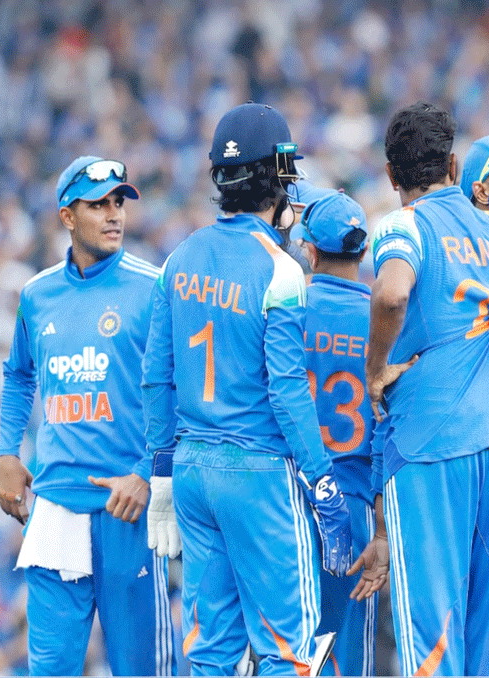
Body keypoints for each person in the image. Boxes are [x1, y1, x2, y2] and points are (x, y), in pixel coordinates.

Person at [140, 102, 352, 675]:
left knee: (211, 652)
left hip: (192, 472)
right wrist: (323, 483)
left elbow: (156, 377)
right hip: (259, 475)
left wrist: (161, 469)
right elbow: (286, 390)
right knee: (289, 652)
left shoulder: (178, 258)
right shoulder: (281, 269)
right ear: (275, 176)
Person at [367, 101, 489, 676]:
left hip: (432, 444)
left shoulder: (404, 225)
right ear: (453, 166)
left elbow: (391, 293)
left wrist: (375, 368)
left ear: (392, 175)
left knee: (433, 636)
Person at [0, 156, 175, 676]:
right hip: (55, 504)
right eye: (98, 205)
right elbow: (18, 374)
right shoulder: (37, 295)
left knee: (141, 669)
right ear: (67, 217)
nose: (114, 214)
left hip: (127, 507)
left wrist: (147, 473)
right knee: (50, 669)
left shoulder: (154, 286)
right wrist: (7, 452)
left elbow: (180, 390)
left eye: (118, 202)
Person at [294, 191, 383, 676]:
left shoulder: (287, 307)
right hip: (356, 503)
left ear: (310, 251)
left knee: (290, 649)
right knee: (350, 657)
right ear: (363, 250)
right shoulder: (383, 317)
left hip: (289, 499)